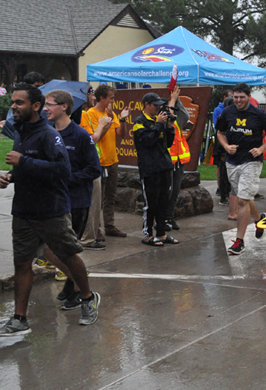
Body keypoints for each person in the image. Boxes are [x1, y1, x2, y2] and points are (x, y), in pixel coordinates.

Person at [0, 84, 100, 336]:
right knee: (22, 264)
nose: (13, 106)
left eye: (19, 102)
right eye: (13, 102)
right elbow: (29, 169)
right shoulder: (21, 133)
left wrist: (23, 161)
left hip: (51, 210)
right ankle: (19, 318)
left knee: (68, 256)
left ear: (35, 106)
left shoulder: (49, 134)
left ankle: (87, 298)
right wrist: (10, 176)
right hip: (23, 209)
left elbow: (62, 171)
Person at [43, 89, 102, 308]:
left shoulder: (80, 135)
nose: (46, 108)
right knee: (49, 249)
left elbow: (94, 169)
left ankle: (77, 289)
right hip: (54, 200)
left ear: (64, 107)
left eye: (50, 104)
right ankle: (74, 283)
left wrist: (69, 178)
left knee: (63, 248)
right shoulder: (47, 133)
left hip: (76, 201)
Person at [216, 83, 266, 255]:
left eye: (242, 97)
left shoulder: (258, 114)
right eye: (236, 97)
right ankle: (259, 220)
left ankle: (239, 242)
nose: (238, 100)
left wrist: (261, 149)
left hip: (252, 160)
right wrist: (226, 146)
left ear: (249, 96)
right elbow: (220, 133)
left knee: (242, 199)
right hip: (232, 161)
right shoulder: (227, 112)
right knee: (246, 196)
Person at [80, 84, 130, 238]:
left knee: (111, 196)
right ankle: (97, 229)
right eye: (111, 98)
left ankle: (110, 225)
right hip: (98, 162)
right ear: (102, 98)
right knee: (97, 199)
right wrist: (106, 124)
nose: (113, 101)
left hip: (112, 160)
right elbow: (94, 139)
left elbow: (122, 134)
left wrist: (122, 119)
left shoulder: (111, 113)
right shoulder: (90, 114)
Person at [133, 93, 178, 246]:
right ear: (146, 105)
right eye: (155, 105)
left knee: (163, 201)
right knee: (150, 203)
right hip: (149, 168)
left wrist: (169, 127)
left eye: (159, 105)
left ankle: (161, 233)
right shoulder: (140, 122)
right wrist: (159, 124)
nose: (158, 108)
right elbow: (147, 141)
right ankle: (147, 234)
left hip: (164, 166)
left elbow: (167, 144)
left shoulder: (160, 121)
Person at [165, 86, 191, 231]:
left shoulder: (177, 121)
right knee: (166, 192)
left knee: (174, 192)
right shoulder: (162, 120)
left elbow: (185, 115)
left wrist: (176, 99)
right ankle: (162, 219)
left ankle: (170, 218)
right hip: (167, 162)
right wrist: (172, 100)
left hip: (179, 162)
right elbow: (168, 117)